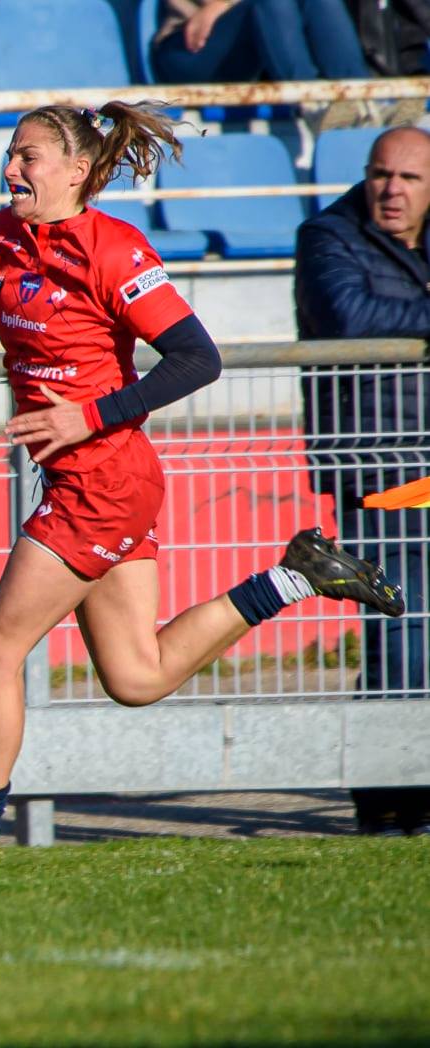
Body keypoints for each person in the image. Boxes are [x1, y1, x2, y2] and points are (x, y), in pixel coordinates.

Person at [0, 102, 405, 878]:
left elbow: (195, 358)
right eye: (11, 155)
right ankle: (296, 574)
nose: (12, 169)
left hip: (102, 482)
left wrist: (88, 417)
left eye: (29, 157)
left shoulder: (113, 249)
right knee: (136, 678)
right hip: (91, 483)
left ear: (77, 171)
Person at [295, 125, 430, 836]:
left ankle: (402, 791)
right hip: (380, 466)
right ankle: (385, 798)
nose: (391, 190)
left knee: (419, 639)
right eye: (382, 174)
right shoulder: (326, 237)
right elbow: (347, 316)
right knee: (400, 636)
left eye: (408, 178)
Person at [149, 0, 383, 129]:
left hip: (245, 54)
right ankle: (312, 103)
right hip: (187, 52)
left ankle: (361, 97)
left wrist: (223, 4)